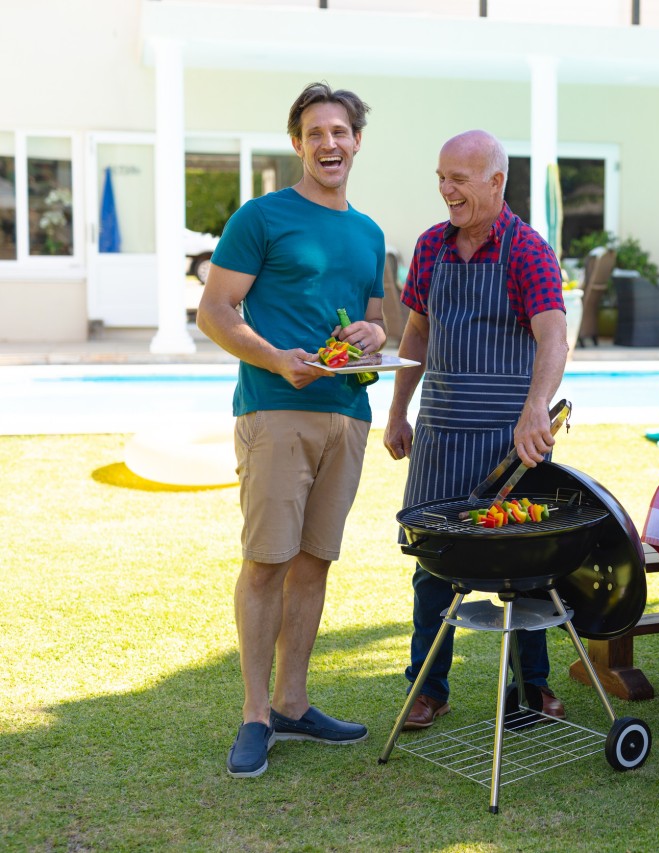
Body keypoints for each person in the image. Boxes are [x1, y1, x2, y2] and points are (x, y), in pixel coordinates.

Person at [198, 82, 386, 778]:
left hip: (348, 414)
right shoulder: (262, 217)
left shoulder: (369, 233)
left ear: (357, 140)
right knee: (267, 562)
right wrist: (276, 357)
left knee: (314, 563)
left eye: (340, 131)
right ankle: (254, 714)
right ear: (298, 143)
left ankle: (293, 703)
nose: (329, 144)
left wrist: (373, 331)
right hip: (274, 409)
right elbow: (216, 309)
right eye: (315, 133)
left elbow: (372, 325)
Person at [385, 130, 569, 730]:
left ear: (496, 181)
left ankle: (532, 686)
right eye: (441, 177)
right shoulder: (432, 246)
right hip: (439, 435)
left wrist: (536, 406)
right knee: (431, 566)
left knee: (524, 567)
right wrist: (397, 411)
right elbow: (416, 333)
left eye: (458, 179)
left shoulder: (528, 252)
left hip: (508, 442)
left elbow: (552, 337)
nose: (446, 190)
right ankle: (428, 688)